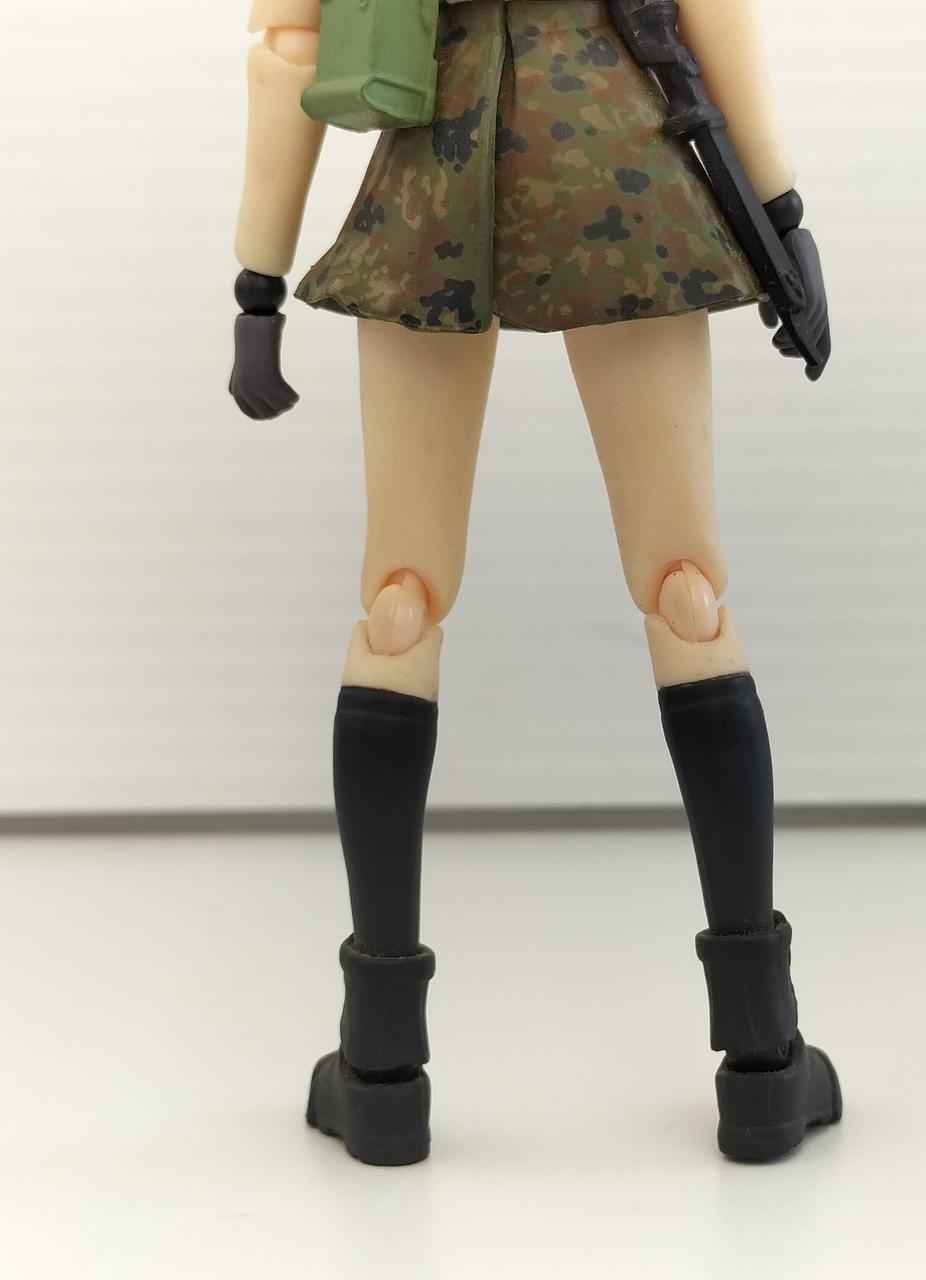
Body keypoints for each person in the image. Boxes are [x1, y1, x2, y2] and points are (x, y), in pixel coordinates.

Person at [230, 0, 841, 1164]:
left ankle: (379, 1062)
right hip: (619, 164)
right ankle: (761, 1053)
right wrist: (781, 210)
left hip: (431, 181)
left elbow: (288, 51)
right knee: (684, 587)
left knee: (400, 600)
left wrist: (257, 281)